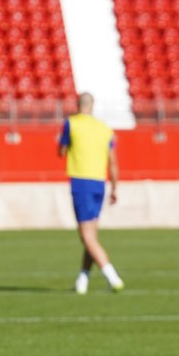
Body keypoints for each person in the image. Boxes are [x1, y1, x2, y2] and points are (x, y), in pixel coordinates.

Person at [59, 92, 124, 294]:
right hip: (100, 183)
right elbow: (113, 162)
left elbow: (61, 151)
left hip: (81, 181)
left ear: (77, 104)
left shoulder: (71, 123)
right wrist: (114, 188)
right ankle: (83, 279)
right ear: (92, 105)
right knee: (91, 235)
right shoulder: (105, 128)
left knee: (86, 236)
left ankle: (112, 277)